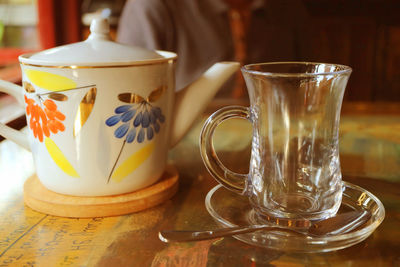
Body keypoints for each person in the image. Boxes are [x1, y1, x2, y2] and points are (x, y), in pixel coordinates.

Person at [117, 0, 309, 98]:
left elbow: (313, 88)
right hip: (184, 151)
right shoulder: (154, 6)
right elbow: (130, 99)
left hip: (278, 147)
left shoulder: (288, 7)